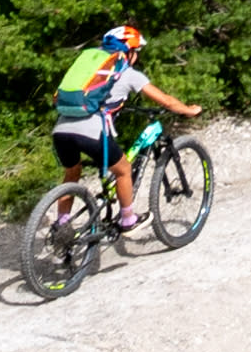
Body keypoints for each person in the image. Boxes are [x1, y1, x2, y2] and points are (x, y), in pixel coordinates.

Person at [49, 20, 200, 216]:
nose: (137, 56)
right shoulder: (128, 74)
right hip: (92, 132)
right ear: (129, 52)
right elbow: (167, 101)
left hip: (61, 130)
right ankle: (128, 219)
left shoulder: (91, 70)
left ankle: (62, 223)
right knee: (124, 170)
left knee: (71, 174)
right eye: (136, 51)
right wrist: (189, 110)